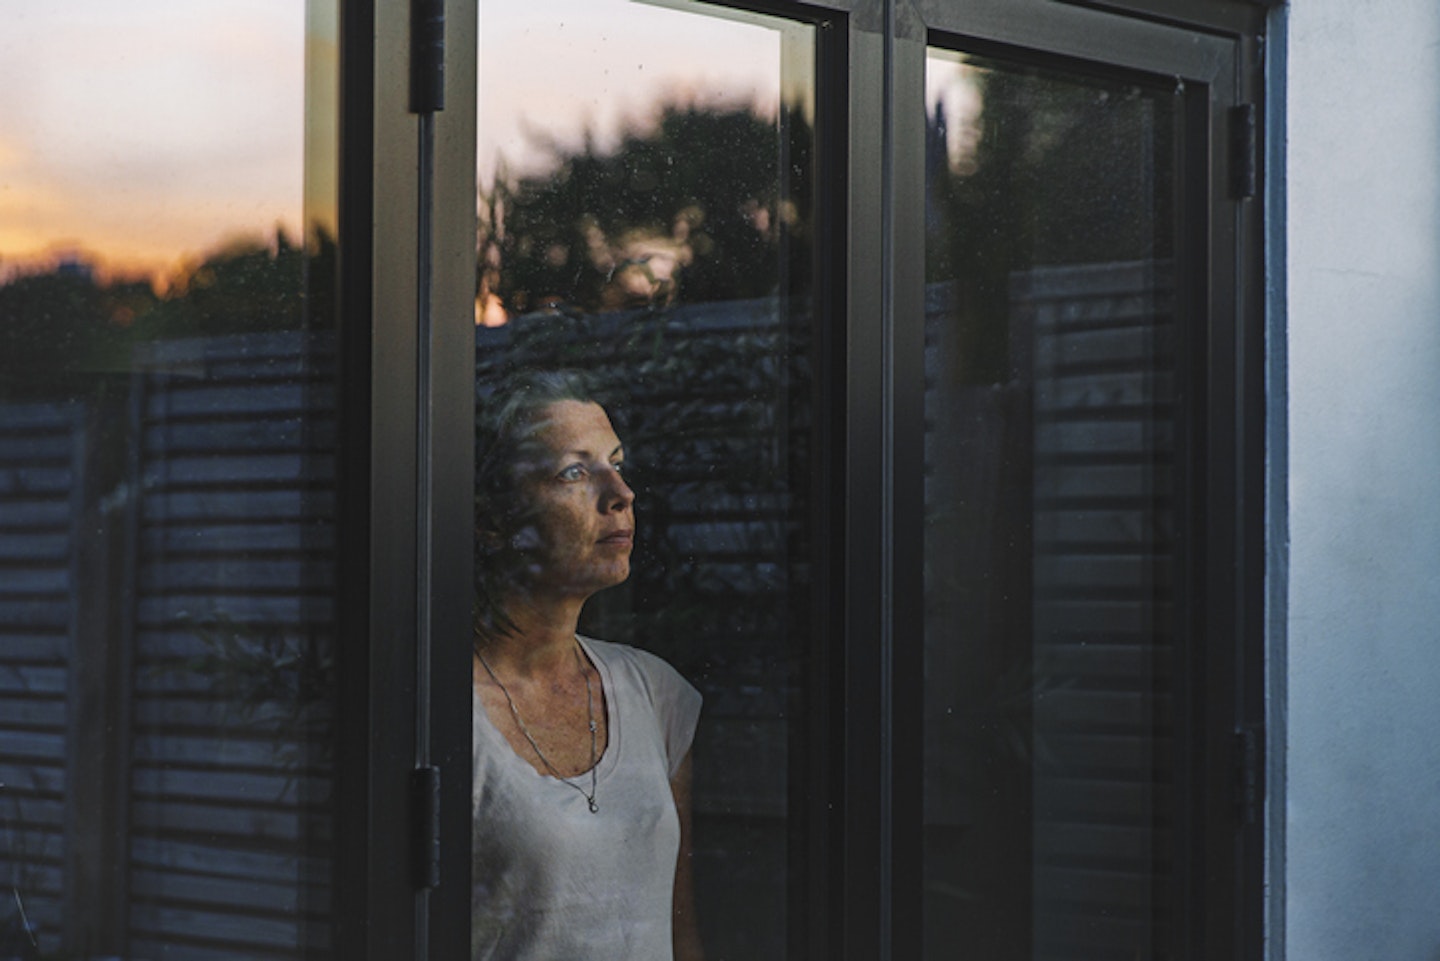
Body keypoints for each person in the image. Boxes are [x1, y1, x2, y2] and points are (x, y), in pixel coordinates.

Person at [471, 369, 704, 961]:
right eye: (575, 472)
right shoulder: (442, 711)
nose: (621, 493)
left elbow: (680, 930)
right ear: (495, 524)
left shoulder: (654, 693)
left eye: (616, 462)